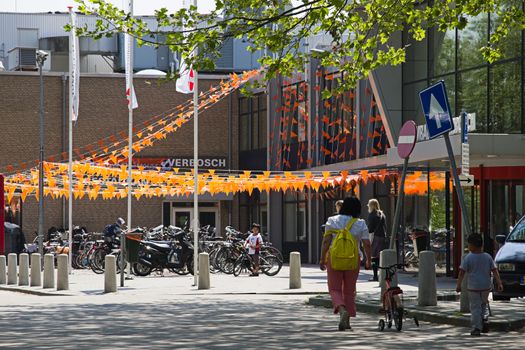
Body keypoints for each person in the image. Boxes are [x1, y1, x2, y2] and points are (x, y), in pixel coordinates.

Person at [320, 197, 372, 331]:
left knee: (334, 289)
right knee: (349, 290)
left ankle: (342, 310)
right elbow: (366, 243)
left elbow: (326, 241)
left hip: (335, 258)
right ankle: (347, 320)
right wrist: (368, 259)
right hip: (353, 259)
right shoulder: (360, 223)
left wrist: (322, 258)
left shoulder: (332, 220)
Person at [456, 233, 504, 336]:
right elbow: (495, 270)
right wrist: (499, 283)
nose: (468, 246)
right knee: (484, 304)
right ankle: (485, 319)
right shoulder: (487, 257)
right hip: (486, 286)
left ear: (472, 245)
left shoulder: (468, 258)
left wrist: (459, 285)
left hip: (473, 287)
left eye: (468, 244)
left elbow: (461, 273)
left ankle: (476, 328)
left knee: (475, 308)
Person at [367, 199, 387, 282]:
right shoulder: (382, 214)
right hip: (382, 237)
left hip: (375, 237)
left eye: (369, 205)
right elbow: (385, 226)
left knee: (374, 257)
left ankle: (375, 276)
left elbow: (370, 228)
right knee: (380, 257)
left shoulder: (372, 215)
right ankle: (381, 275)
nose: (368, 206)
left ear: (371, 205)